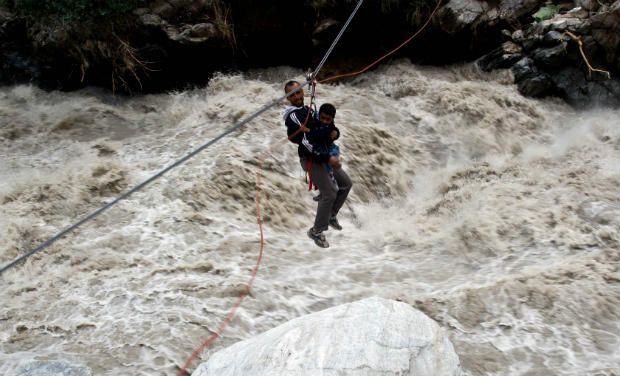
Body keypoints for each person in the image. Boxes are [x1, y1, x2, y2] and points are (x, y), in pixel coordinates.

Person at [282, 80, 352, 248]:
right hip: (312, 158)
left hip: (324, 155)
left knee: (345, 184)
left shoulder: (308, 110)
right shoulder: (293, 116)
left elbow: (326, 126)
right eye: (293, 94)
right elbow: (307, 140)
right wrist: (328, 158)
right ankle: (316, 231)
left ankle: (331, 216)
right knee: (330, 194)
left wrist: (335, 134)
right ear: (288, 98)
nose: (297, 96)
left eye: (299, 92)